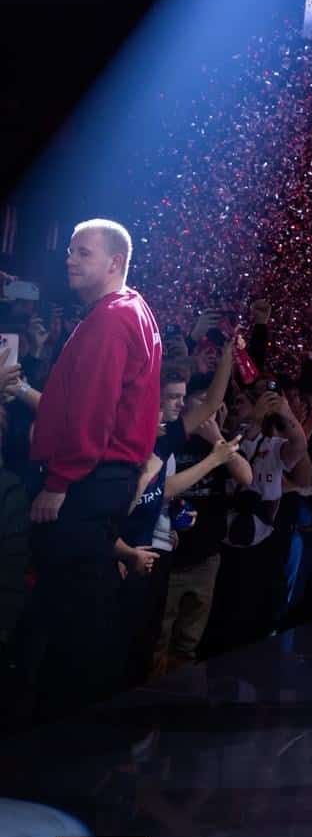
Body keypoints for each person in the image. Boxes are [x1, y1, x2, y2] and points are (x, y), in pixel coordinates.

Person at [13, 220, 163, 722]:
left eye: (83, 253)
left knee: (73, 616)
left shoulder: (111, 319)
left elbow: (92, 412)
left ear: (115, 263)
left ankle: (64, 732)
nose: (70, 260)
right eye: (70, 251)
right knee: (74, 609)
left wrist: (59, 481)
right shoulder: (131, 309)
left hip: (86, 480)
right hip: (104, 479)